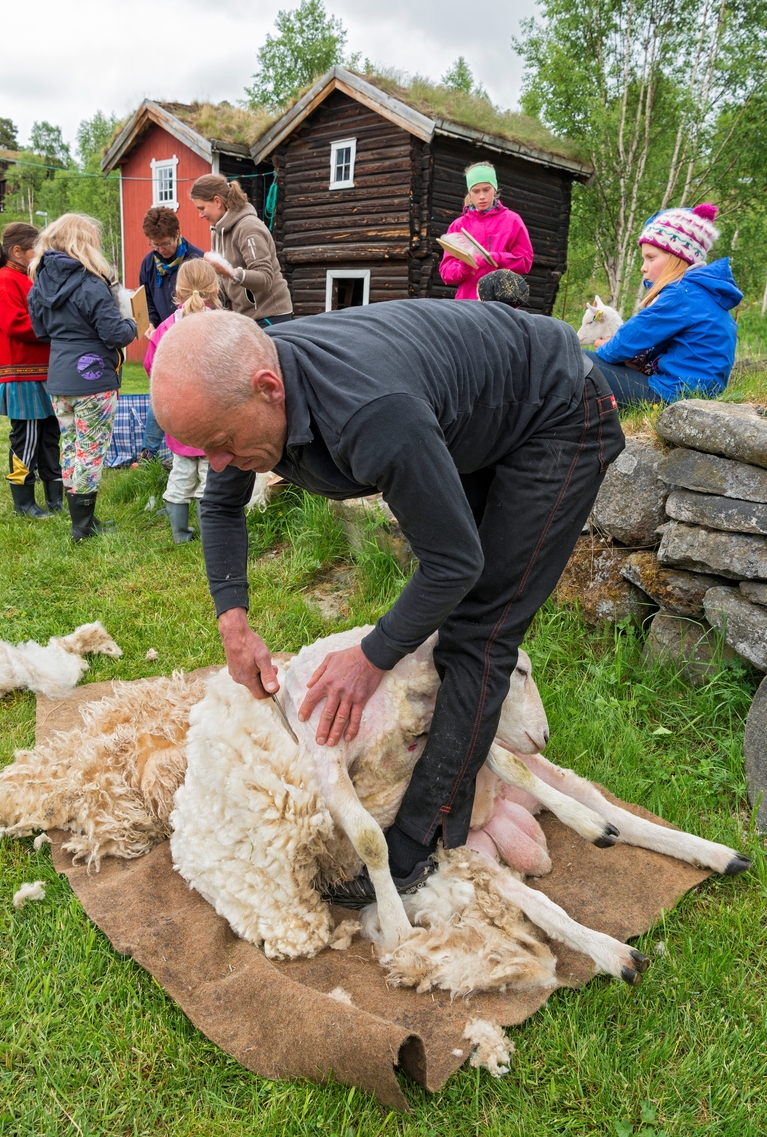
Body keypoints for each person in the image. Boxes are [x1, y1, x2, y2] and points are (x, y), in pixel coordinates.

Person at [150, 299, 625, 903]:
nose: (218, 465)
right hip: (475, 410)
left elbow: (455, 562)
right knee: (451, 614)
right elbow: (220, 505)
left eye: (220, 444)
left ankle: (417, 843)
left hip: (555, 410)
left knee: (481, 626)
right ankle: (447, 762)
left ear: (269, 389)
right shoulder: (247, 397)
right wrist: (234, 625)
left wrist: (370, 658)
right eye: (201, 451)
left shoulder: (369, 414)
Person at [27, 213, 137, 541]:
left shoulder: (40, 283)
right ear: (84, 243)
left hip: (60, 375)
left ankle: (83, 522)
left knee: (72, 446)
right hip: (93, 379)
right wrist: (133, 323)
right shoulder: (91, 283)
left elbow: (40, 331)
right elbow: (115, 334)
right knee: (91, 449)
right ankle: (82, 527)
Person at [586, 203, 743, 406]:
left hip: (671, 396)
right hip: (693, 395)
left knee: (574, 357)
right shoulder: (701, 293)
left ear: (678, 258)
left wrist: (605, 346)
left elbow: (624, 343)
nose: (643, 267)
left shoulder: (681, 295)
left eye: (651, 257)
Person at [0, 222, 63, 519]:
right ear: (17, 251)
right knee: (26, 437)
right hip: (22, 374)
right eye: (37, 250)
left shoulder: (26, 277)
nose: (41, 256)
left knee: (49, 436)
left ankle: (54, 499)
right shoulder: (7, 278)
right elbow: (13, 321)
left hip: (43, 372)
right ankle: (24, 502)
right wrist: (55, 325)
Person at [144, 259, 218, 543]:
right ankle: (209, 532)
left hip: (179, 416)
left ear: (179, 290)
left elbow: (152, 367)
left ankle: (180, 534)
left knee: (181, 472)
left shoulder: (165, 328)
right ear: (214, 289)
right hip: (212, 413)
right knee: (208, 477)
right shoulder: (220, 324)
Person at [138, 206, 203, 461]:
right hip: (161, 338)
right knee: (159, 391)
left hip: (191, 340)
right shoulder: (148, 262)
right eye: (155, 244)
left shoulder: (196, 260)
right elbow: (147, 300)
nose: (160, 249)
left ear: (177, 234)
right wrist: (151, 324)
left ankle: (193, 448)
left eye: (164, 244)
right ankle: (149, 453)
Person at [189, 174, 293, 327]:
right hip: (245, 318)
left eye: (202, 208)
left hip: (271, 316)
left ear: (217, 201)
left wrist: (230, 272)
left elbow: (265, 279)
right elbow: (223, 282)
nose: (200, 215)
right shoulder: (217, 231)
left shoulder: (248, 228)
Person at [439, 162, 534, 300]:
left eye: (486, 189)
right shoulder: (458, 225)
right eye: (476, 191)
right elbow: (446, 274)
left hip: (501, 303)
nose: (481, 196)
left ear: (494, 189)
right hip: (467, 304)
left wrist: (495, 258)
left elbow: (525, 261)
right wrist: (465, 266)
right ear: (469, 193)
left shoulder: (512, 220)